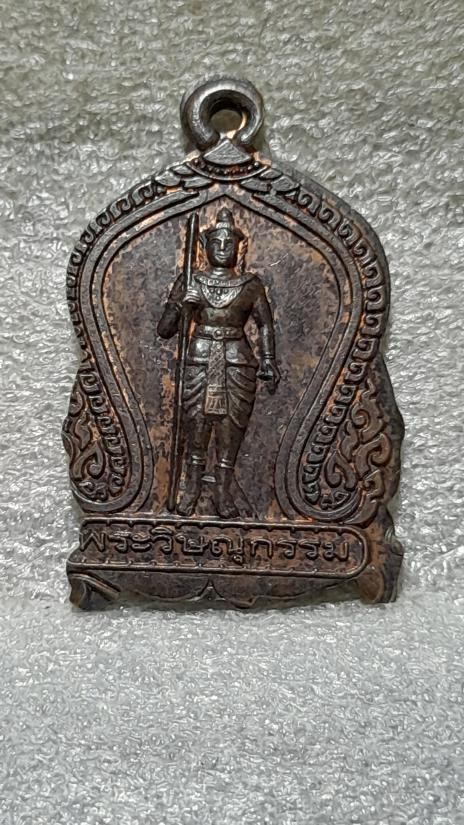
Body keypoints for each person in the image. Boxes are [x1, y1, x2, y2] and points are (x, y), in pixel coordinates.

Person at [158, 207, 280, 518]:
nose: (223, 248)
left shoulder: (250, 285)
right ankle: (191, 491)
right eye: (217, 243)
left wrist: (268, 359)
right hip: (199, 359)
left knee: (231, 431)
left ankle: (223, 495)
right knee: (196, 428)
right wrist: (183, 307)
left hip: (236, 361)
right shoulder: (191, 280)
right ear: (206, 246)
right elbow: (165, 330)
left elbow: (265, 324)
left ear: (239, 248)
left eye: (229, 243)